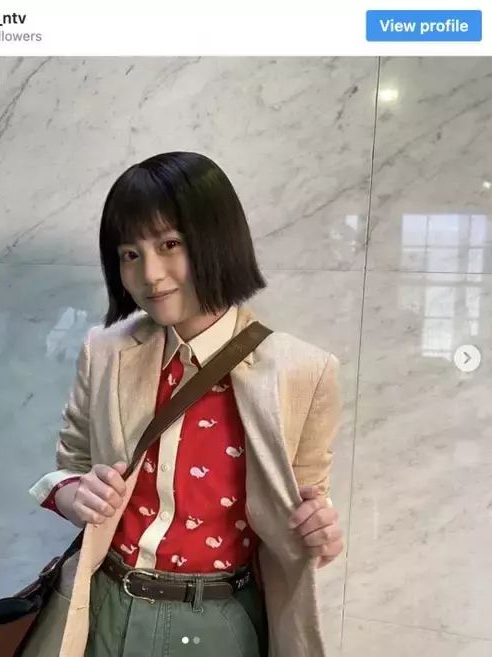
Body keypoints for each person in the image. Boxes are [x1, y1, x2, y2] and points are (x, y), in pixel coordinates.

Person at [29, 151, 344, 657]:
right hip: (107, 606)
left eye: (170, 244)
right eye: (129, 254)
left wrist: (319, 531)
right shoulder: (105, 352)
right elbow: (72, 464)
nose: (150, 274)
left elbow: (308, 502)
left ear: (218, 238)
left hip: (222, 621)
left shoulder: (304, 371)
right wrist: (74, 495)